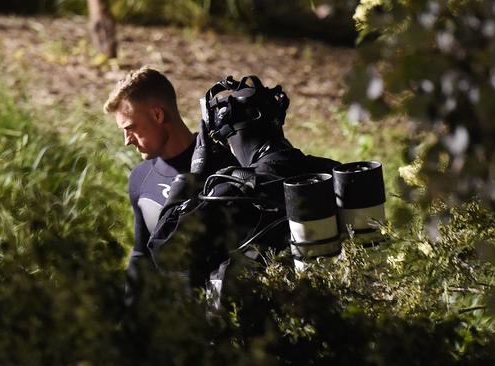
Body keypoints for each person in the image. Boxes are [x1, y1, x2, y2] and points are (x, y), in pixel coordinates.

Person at [147, 75, 340, 294]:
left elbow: (165, 251)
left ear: (229, 137)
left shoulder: (234, 190)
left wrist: (192, 177)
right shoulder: (330, 172)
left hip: (259, 323)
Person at [103, 66, 199, 293]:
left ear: (158, 115)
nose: (127, 141)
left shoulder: (221, 168)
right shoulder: (140, 178)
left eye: (131, 128)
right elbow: (141, 255)